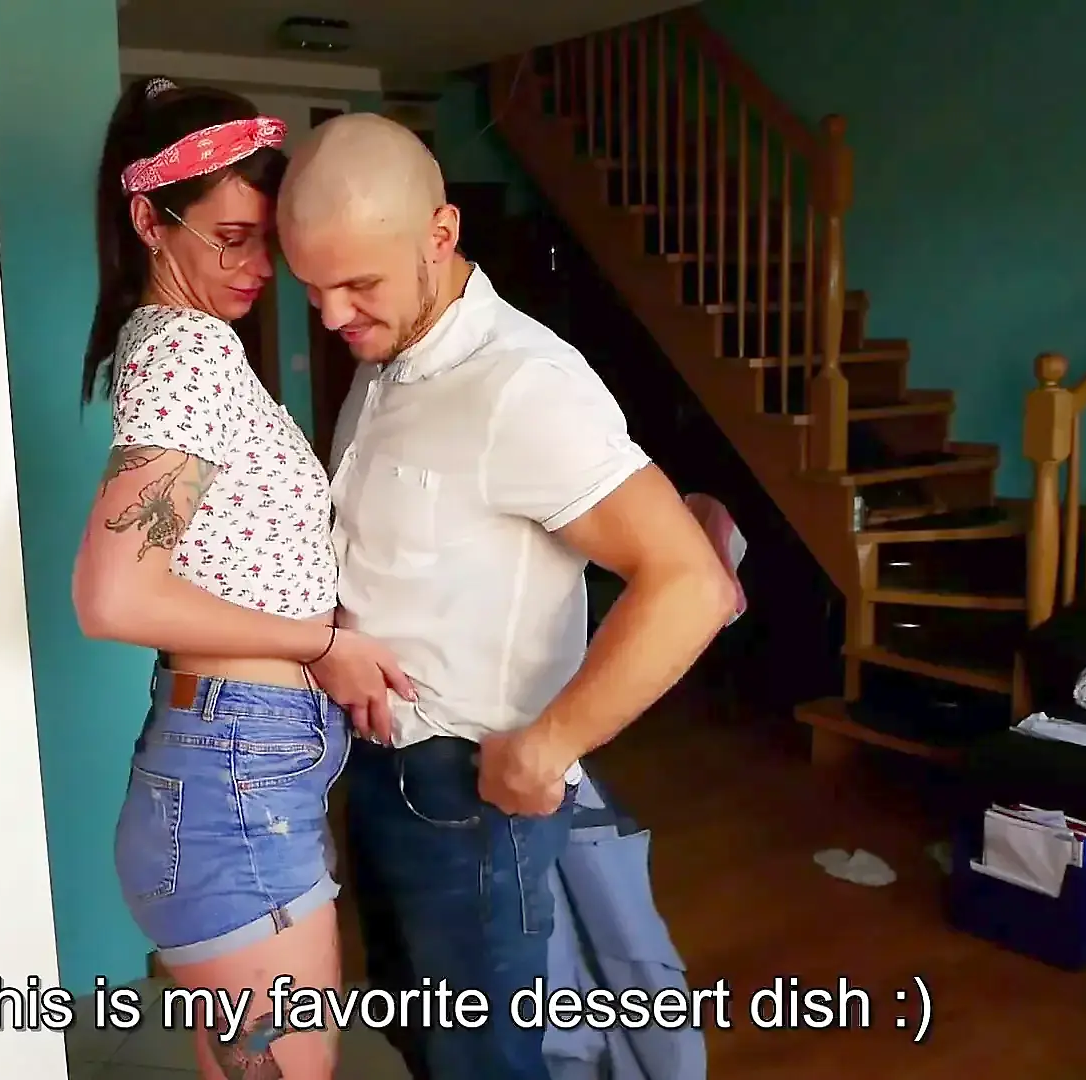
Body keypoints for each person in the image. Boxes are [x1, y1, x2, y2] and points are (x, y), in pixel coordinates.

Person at [276, 113, 737, 1080]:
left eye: (358, 284)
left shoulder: (524, 385)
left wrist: (551, 743)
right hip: (380, 770)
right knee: (417, 1031)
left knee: (486, 1058)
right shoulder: (391, 358)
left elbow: (690, 581)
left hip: (467, 789)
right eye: (312, 289)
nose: (331, 316)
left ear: (440, 235)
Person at [70, 77, 415, 1080]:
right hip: (234, 781)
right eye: (229, 238)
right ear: (150, 221)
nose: (257, 267)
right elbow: (115, 596)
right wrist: (324, 644)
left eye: (267, 241)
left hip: (233, 769)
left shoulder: (182, 346)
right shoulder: (186, 352)